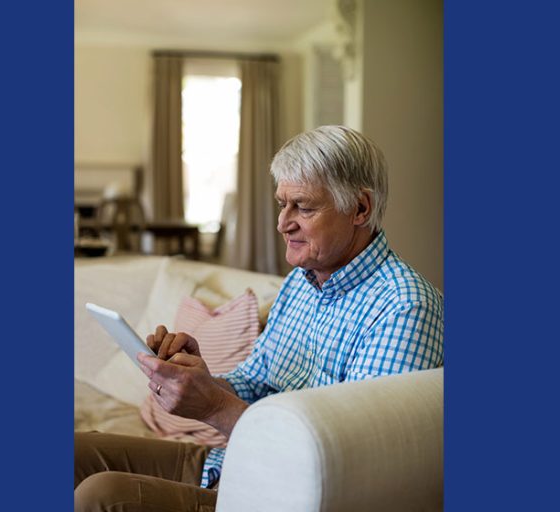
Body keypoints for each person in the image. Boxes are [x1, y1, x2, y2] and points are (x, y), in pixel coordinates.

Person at [74, 125, 444, 512]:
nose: (283, 223)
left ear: (360, 208)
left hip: (283, 497)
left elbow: (353, 470)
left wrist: (213, 406)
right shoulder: (301, 284)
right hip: (231, 465)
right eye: (282, 204)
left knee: (101, 497)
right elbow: (254, 383)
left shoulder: (403, 308)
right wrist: (200, 380)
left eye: (303, 206)